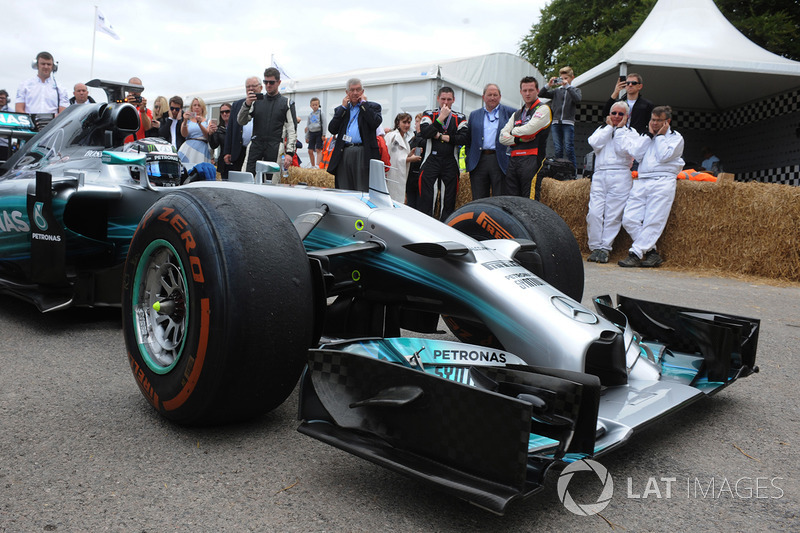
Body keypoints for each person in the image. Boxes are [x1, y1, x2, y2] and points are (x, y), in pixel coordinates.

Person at [619, 106, 685, 268]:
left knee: (653, 220)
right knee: (629, 219)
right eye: (653, 120)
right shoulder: (646, 136)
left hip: (663, 181)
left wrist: (661, 136)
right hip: (642, 180)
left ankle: (635, 253)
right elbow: (636, 154)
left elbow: (664, 156)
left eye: (658, 121)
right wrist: (649, 136)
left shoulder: (676, 138)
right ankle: (651, 253)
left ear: (667, 122)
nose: (654, 123)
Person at [585, 102, 639, 264]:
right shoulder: (602, 129)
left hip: (620, 174)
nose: (616, 116)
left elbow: (625, 149)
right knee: (594, 212)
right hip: (600, 173)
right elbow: (594, 143)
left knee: (612, 215)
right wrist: (609, 128)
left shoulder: (631, 133)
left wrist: (620, 130)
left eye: (620, 114)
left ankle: (605, 248)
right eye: (614, 113)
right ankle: (595, 246)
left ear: (627, 116)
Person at [418, 87, 469, 220]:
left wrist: (440, 136)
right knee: (428, 199)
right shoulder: (429, 114)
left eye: (449, 99)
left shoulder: (460, 117)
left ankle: (445, 228)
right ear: (438, 99)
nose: (446, 102)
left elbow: (463, 139)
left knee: (448, 201)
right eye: (443, 99)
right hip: (431, 161)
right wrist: (441, 118)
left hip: (450, 162)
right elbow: (425, 133)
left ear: (454, 100)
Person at [499, 76, 552, 199]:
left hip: (532, 159)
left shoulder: (543, 109)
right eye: (525, 90)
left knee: (529, 201)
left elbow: (530, 130)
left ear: (537, 91)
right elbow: (501, 137)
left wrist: (511, 132)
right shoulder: (517, 113)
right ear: (520, 92)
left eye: (531, 90)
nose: (527, 93)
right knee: (512, 200)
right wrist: (517, 138)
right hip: (513, 160)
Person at [328, 78, 382, 191]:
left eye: (358, 90)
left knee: (361, 188)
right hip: (345, 152)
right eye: (352, 90)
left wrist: (364, 105)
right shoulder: (341, 109)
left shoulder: (372, 107)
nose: (355, 93)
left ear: (362, 92)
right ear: (347, 93)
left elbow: (374, 123)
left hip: (362, 152)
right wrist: (342, 108)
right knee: (344, 188)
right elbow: (332, 129)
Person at [238, 67, 295, 175]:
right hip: (256, 144)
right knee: (247, 178)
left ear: (279, 82)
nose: (268, 85)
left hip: (275, 145)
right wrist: (246, 104)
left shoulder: (286, 103)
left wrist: (290, 153)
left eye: (271, 82)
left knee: (271, 182)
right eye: (266, 82)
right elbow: (241, 121)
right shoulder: (256, 101)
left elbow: (291, 129)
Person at [465, 83, 516, 199]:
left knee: (500, 198)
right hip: (479, 161)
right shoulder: (474, 115)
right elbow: (468, 140)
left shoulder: (510, 113)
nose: (492, 98)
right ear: (483, 97)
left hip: (500, 160)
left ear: (500, 97)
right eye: (489, 95)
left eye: (495, 95)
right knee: (479, 198)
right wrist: (469, 159)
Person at [539, 66, 581, 170]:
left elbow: (577, 99)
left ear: (572, 78)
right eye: (562, 78)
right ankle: (559, 171)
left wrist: (567, 87)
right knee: (558, 149)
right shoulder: (557, 91)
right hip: (556, 122)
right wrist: (549, 85)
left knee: (569, 148)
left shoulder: (575, 90)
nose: (564, 81)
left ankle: (573, 172)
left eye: (566, 78)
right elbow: (541, 94)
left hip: (568, 123)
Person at [223, 77, 259, 174]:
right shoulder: (237, 105)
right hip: (239, 151)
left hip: (258, 150)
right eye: (248, 86)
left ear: (260, 87)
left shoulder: (265, 103)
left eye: (253, 86)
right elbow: (230, 129)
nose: (251, 88)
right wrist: (227, 151)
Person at [384, 113, 421, 202]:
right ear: (398, 123)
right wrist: (411, 159)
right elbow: (394, 158)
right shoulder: (393, 137)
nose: (407, 125)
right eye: (404, 122)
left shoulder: (404, 139)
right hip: (392, 174)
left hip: (400, 175)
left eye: (409, 122)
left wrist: (410, 154)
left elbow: (400, 156)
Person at [177, 97, 211, 168]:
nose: (196, 107)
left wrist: (199, 124)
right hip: (188, 148)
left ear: (203, 108)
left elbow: (208, 135)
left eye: (199, 105)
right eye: (194, 105)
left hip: (202, 148)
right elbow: (184, 134)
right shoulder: (188, 121)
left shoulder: (207, 121)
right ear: (191, 108)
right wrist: (185, 120)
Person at [406, 113, 425, 209]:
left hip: (417, 175)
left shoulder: (422, 139)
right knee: (410, 203)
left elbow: (418, 156)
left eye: (417, 121)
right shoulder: (413, 138)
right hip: (410, 175)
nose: (415, 124)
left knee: (416, 204)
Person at [123, 77, 151, 142]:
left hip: (139, 146)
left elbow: (147, 127)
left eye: (138, 89)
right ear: (127, 89)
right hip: (122, 145)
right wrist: (127, 105)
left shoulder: (146, 110)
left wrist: (142, 111)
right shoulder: (120, 106)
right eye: (132, 88)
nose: (134, 92)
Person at [209, 102, 232, 178]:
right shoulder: (219, 129)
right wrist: (212, 134)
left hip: (236, 160)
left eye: (227, 111)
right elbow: (214, 145)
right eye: (222, 112)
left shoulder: (238, 127)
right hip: (223, 162)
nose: (224, 114)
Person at [305, 97, 325, 168]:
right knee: (310, 150)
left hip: (318, 132)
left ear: (318, 105)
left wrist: (324, 134)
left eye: (316, 105)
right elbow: (308, 126)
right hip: (311, 133)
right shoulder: (310, 115)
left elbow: (324, 124)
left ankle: (317, 165)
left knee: (318, 149)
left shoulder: (321, 113)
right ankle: (312, 165)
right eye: (313, 105)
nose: (315, 106)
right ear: (311, 106)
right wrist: (307, 136)